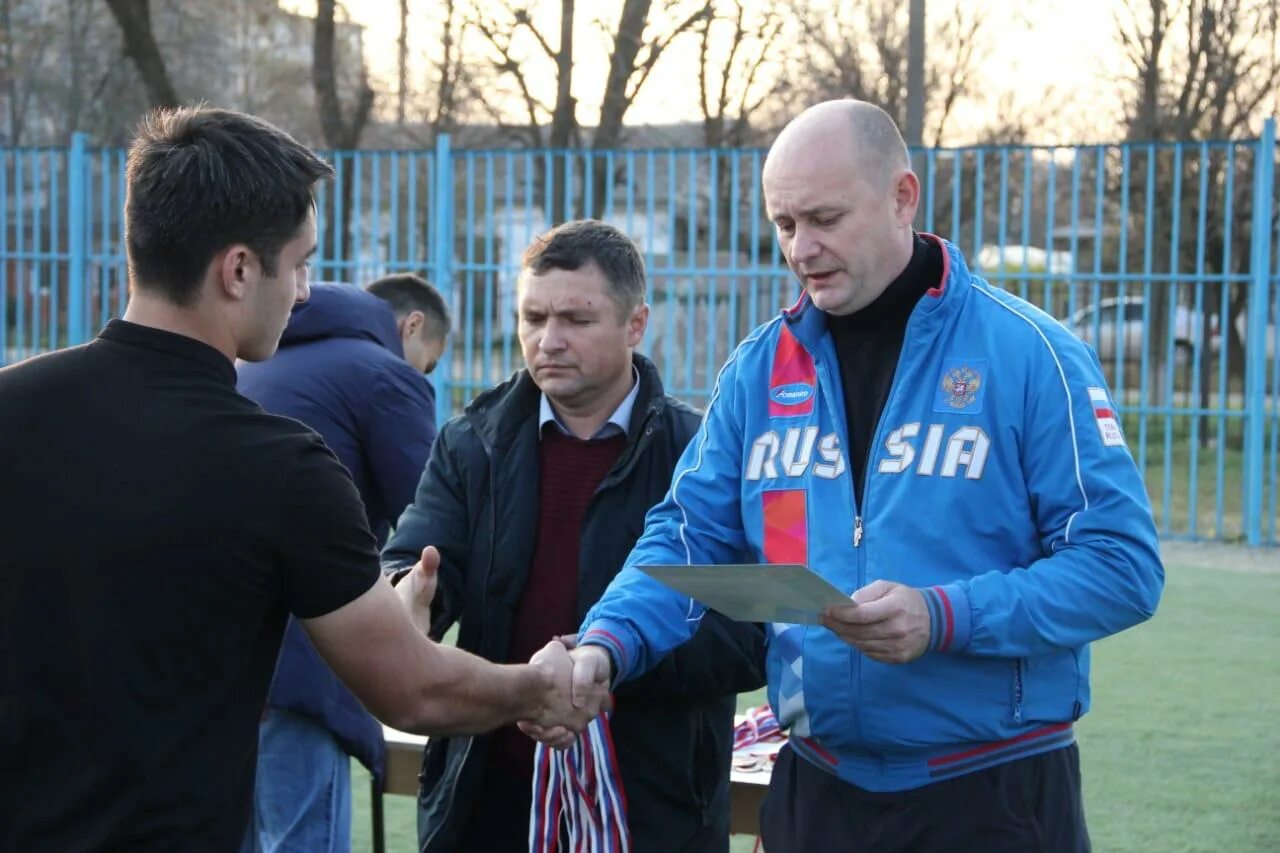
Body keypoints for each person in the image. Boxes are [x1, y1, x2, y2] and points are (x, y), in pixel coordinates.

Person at [543, 100, 1165, 852]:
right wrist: (607, 641)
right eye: (784, 225)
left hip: (993, 792)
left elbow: (1122, 567)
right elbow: (687, 533)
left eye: (825, 218)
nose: (802, 247)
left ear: (903, 197)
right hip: (817, 789)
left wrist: (943, 616)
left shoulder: (1031, 354)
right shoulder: (759, 368)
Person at [0, 106, 600, 852]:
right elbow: (412, 684)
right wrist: (535, 683)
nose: (307, 291)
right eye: (302, 261)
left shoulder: (12, 407)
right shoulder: (279, 465)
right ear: (241, 269)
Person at [381, 219, 767, 852]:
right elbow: (420, 565)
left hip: (652, 807)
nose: (548, 340)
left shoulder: (699, 454)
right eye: (532, 318)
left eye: (576, 320)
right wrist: (410, 595)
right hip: (490, 799)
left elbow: (749, 632)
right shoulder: (470, 442)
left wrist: (608, 664)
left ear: (636, 324)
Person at [236, 275, 449, 853]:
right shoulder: (386, 377)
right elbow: (431, 512)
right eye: (427, 365)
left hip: (218, 654)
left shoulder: (254, 362)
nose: (422, 376)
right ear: (413, 327)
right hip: (305, 648)